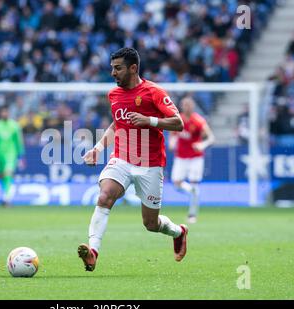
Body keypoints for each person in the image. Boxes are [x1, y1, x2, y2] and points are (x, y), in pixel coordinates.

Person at [78, 47, 188, 272]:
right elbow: (116, 124)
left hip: (151, 164)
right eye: (112, 68)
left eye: (117, 68)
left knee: (150, 224)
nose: (113, 73)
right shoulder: (114, 94)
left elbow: (178, 123)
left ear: (133, 68)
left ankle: (179, 232)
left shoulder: (153, 92)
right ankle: (93, 251)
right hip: (122, 158)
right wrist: (98, 148)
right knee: (105, 195)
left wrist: (150, 120)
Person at [169, 96, 215, 224]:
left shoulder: (199, 121)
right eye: (184, 104)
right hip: (181, 157)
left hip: (196, 158)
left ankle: (192, 214)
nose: (187, 107)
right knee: (176, 183)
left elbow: (211, 138)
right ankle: (193, 192)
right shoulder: (178, 120)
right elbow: (173, 135)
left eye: (189, 104)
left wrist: (202, 145)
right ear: (182, 106)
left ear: (193, 106)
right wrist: (172, 143)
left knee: (194, 182)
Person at [0, 107, 25, 206]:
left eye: (6, 112)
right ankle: (6, 193)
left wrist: (21, 156)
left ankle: (7, 198)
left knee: (8, 173)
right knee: (1, 174)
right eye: (3, 112)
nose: (4, 113)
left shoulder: (14, 126)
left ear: (8, 113)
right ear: (1, 113)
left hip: (11, 154)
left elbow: (19, 141)